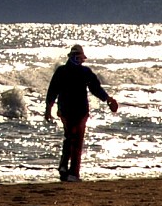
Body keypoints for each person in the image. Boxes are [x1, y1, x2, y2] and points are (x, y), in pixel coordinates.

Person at [43, 44, 118, 182]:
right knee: (76, 140)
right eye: (77, 57)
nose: (79, 60)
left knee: (69, 137)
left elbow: (53, 91)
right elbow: (95, 89)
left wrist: (48, 108)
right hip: (77, 111)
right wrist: (107, 99)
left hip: (68, 110)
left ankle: (64, 167)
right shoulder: (82, 71)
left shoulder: (64, 71)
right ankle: (73, 173)